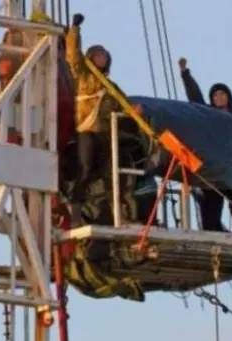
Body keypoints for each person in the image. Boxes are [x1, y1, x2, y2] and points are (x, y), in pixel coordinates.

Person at [65, 13, 143, 227]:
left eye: (104, 56)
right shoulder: (84, 76)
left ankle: (118, 212)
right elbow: (73, 55)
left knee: (113, 173)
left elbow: (125, 105)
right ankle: (76, 208)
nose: (101, 59)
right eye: (97, 55)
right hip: (87, 130)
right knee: (86, 167)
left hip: (106, 133)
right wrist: (75, 30)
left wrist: (135, 111)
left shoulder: (112, 88)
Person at [177, 57, 232, 234]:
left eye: (222, 94)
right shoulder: (208, 116)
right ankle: (212, 233)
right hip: (214, 168)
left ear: (229, 97)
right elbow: (195, 98)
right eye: (215, 95)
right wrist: (186, 75)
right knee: (210, 208)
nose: (219, 97)